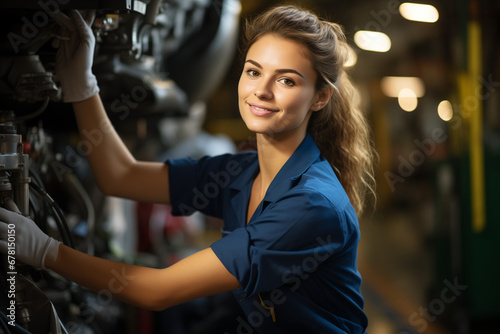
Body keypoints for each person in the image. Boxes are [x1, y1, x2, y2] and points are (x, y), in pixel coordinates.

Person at [0, 4, 376, 333]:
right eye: (253, 71)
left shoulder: (310, 205)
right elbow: (121, 176)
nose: (262, 91)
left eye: (287, 80)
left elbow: (158, 290)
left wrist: (45, 250)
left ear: (320, 97)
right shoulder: (243, 172)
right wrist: (82, 85)